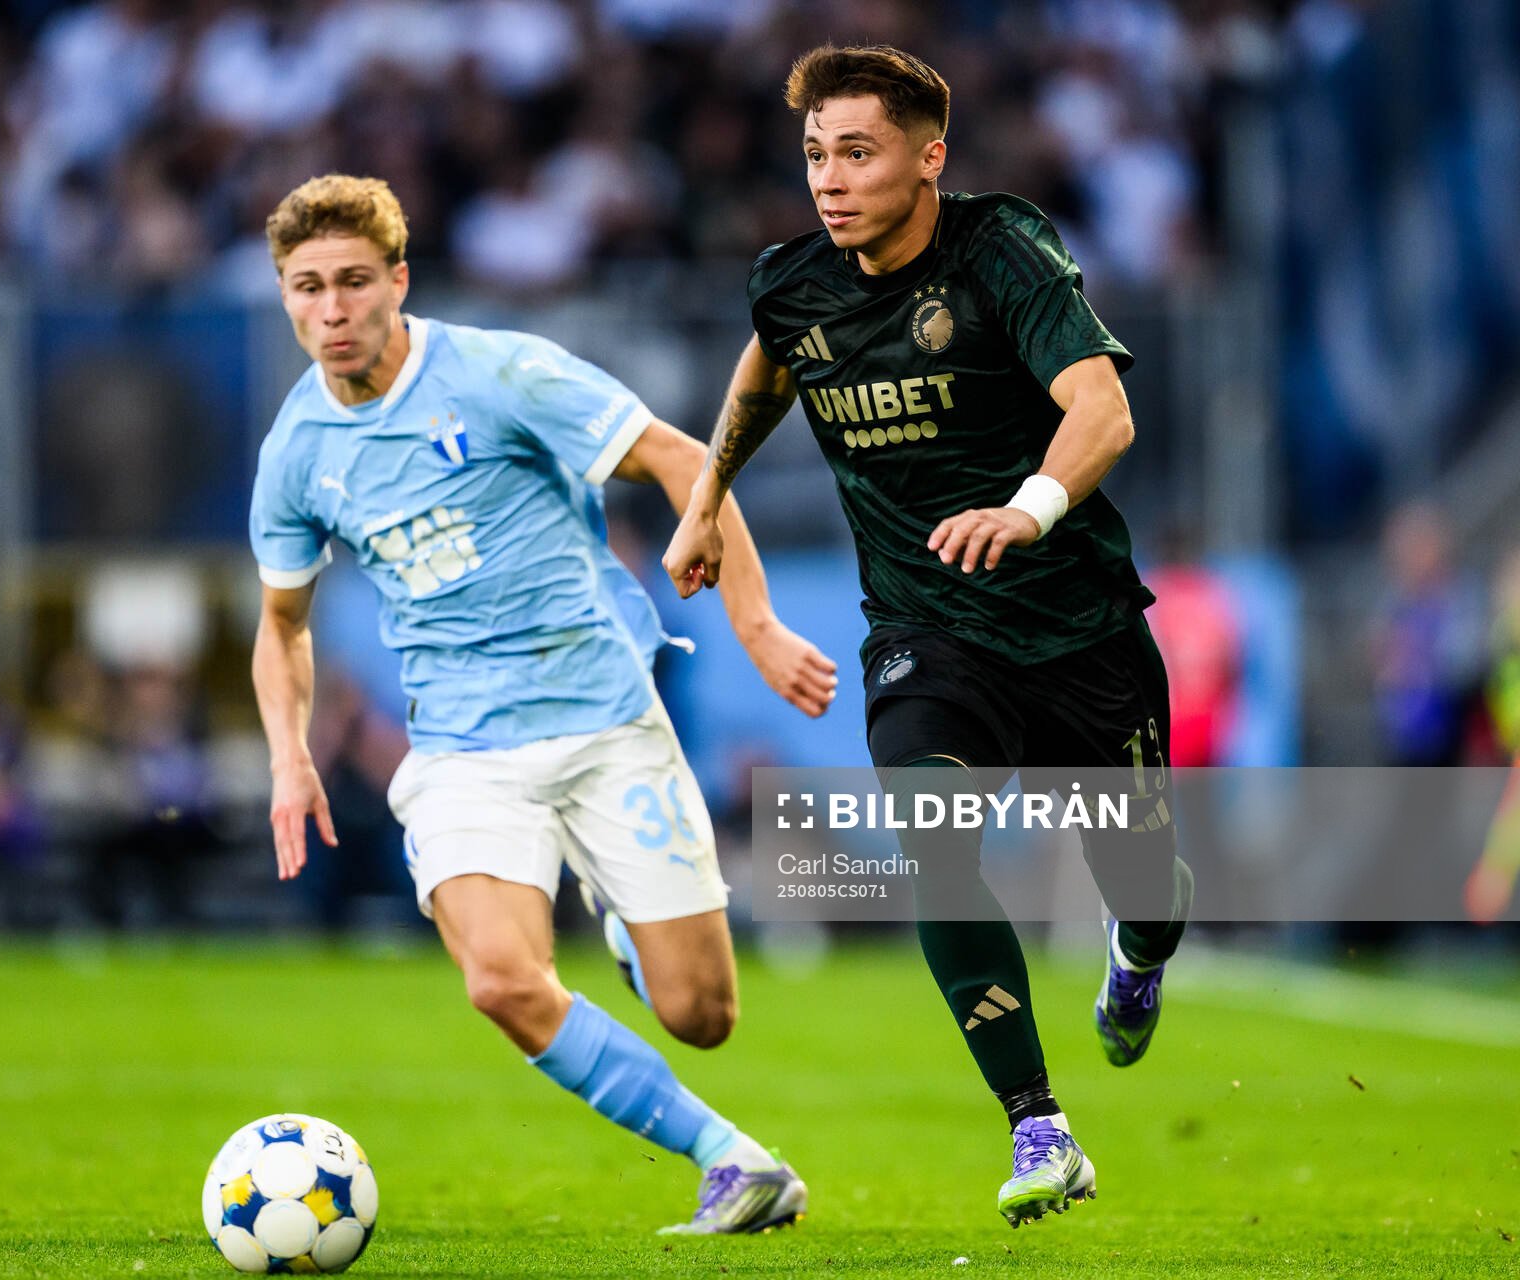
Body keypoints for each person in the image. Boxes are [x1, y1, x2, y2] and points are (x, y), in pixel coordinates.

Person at [663, 45, 1194, 1227]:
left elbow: (1104, 409)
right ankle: (1039, 1126)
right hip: (924, 628)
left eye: (858, 152)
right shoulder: (791, 283)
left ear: (928, 157)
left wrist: (1025, 508)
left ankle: (1141, 945)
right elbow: (767, 374)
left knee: (1147, 887)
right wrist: (705, 501)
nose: (831, 179)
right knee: (933, 838)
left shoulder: (1002, 248)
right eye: (815, 155)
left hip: (1079, 627)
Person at [248, 174, 837, 1234]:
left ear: (399, 281)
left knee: (702, 1013)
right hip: (462, 754)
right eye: (305, 288)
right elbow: (282, 623)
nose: (330, 311)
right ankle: (730, 1159)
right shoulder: (295, 453)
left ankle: (622, 919)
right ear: (284, 296)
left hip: (606, 719)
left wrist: (754, 624)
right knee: (501, 982)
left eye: (351, 283)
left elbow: (679, 455)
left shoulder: (496, 372)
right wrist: (289, 753)